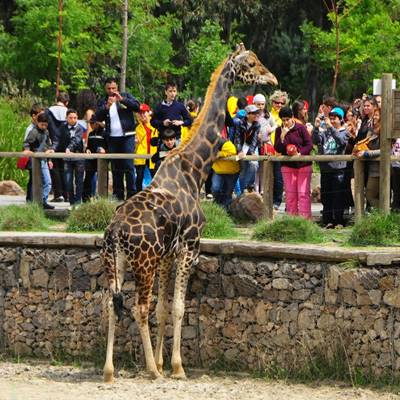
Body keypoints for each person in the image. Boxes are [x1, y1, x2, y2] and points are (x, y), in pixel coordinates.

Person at [95, 77, 140, 200]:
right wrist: (106, 107)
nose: (111, 91)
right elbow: (96, 117)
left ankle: (131, 194)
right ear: (105, 89)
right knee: (116, 167)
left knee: (128, 165)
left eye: (113, 88)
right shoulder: (103, 101)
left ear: (117, 88)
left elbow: (137, 106)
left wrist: (123, 100)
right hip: (112, 138)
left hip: (127, 136)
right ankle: (118, 194)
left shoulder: (125, 96)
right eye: (109, 88)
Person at [313, 107, 350, 228]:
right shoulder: (326, 132)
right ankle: (327, 221)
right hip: (325, 168)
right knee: (326, 196)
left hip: (338, 169)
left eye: (335, 119)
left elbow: (341, 142)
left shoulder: (345, 132)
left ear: (341, 119)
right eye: (331, 118)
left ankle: (339, 221)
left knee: (338, 196)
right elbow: (316, 141)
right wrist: (316, 128)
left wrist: (330, 127)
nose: (332, 121)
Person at [274, 107, 313, 219]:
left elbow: (309, 144)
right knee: (290, 194)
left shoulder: (300, 128)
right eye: (283, 120)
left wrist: (300, 154)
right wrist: (282, 136)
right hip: (288, 166)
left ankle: (305, 220)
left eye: (287, 119)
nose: (285, 122)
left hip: (303, 165)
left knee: (303, 193)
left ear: (292, 118)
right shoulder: (279, 130)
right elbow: (278, 148)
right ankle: (292, 219)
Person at [53, 109, 85, 206]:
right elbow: (57, 140)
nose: (73, 120)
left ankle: (78, 202)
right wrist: (53, 149)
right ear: (66, 118)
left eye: (75, 118)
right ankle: (71, 202)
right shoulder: (62, 128)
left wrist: (69, 148)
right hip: (67, 158)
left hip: (78, 156)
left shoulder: (79, 128)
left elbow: (76, 139)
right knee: (68, 181)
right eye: (70, 118)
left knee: (79, 180)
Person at [23, 113, 54, 209]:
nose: (44, 127)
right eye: (42, 124)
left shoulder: (47, 132)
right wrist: (27, 150)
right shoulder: (33, 132)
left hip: (44, 160)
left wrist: (50, 158)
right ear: (38, 122)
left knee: (48, 183)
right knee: (35, 182)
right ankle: (37, 202)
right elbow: (26, 143)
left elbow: (48, 144)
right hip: (35, 160)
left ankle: (41, 201)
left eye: (46, 125)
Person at [353, 108, 381, 208]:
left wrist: (366, 154)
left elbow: (385, 151)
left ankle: (384, 214)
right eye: (374, 115)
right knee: (374, 195)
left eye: (377, 115)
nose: (374, 117)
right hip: (371, 169)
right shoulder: (372, 131)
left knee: (370, 195)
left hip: (380, 170)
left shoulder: (384, 133)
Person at [46, 92, 69, 202]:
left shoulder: (48, 111)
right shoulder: (69, 113)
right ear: (66, 102)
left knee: (55, 170)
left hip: (52, 145)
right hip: (66, 146)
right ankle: (68, 194)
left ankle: (58, 194)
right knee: (66, 169)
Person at [234, 104, 261, 193]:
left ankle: (249, 185)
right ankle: (241, 192)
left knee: (254, 164)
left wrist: (252, 151)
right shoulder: (239, 123)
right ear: (247, 115)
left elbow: (254, 140)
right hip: (240, 149)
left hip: (250, 148)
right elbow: (237, 138)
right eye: (253, 113)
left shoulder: (257, 125)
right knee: (243, 170)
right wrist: (240, 150)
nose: (256, 115)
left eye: (256, 113)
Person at [269, 90, 289, 210]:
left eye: (282, 103)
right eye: (277, 102)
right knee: (269, 177)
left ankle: (278, 201)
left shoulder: (286, 116)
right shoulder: (268, 115)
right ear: (272, 102)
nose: (279, 105)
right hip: (268, 149)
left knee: (280, 178)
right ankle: (269, 200)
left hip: (281, 150)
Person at [134, 103, 158, 192]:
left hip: (153, 155)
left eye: (144, 112)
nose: (143, 115)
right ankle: (138, 194)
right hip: (141, 155)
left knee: (154, 175)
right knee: (139, 177)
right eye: (140, 113)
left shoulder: (155, 125)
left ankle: (155, 194)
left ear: (149, 113)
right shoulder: (137, 128)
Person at [82, 116, 106, 202]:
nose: (91, 125)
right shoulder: (91, 134)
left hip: (102, 160)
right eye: (90, 123)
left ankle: (102, 197)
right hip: (91, 159)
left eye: (93, 123)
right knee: (88, 177)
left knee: (102, 178)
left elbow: (107, 145)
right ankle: (86, 197)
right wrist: (87, 149)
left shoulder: (104, 133)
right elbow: (88, 146)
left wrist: (104, 150)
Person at [211, 138, 240, 209]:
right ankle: (217, 207)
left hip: (232, 172)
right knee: (215, 189)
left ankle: (226, 212)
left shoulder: (226, 143)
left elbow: (233, 151)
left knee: (228, 193)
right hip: (218, 171)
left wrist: (220, 154)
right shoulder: (207, 144)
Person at [24, 104, 44, 202]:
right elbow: (26, 143)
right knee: (33, 179)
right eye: (40, 115)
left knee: (35, 179)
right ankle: (30, 199)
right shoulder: (30, 129)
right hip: (32, 158)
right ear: (34, 116)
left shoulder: (40, 128)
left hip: (39, 157)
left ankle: (34, 200)